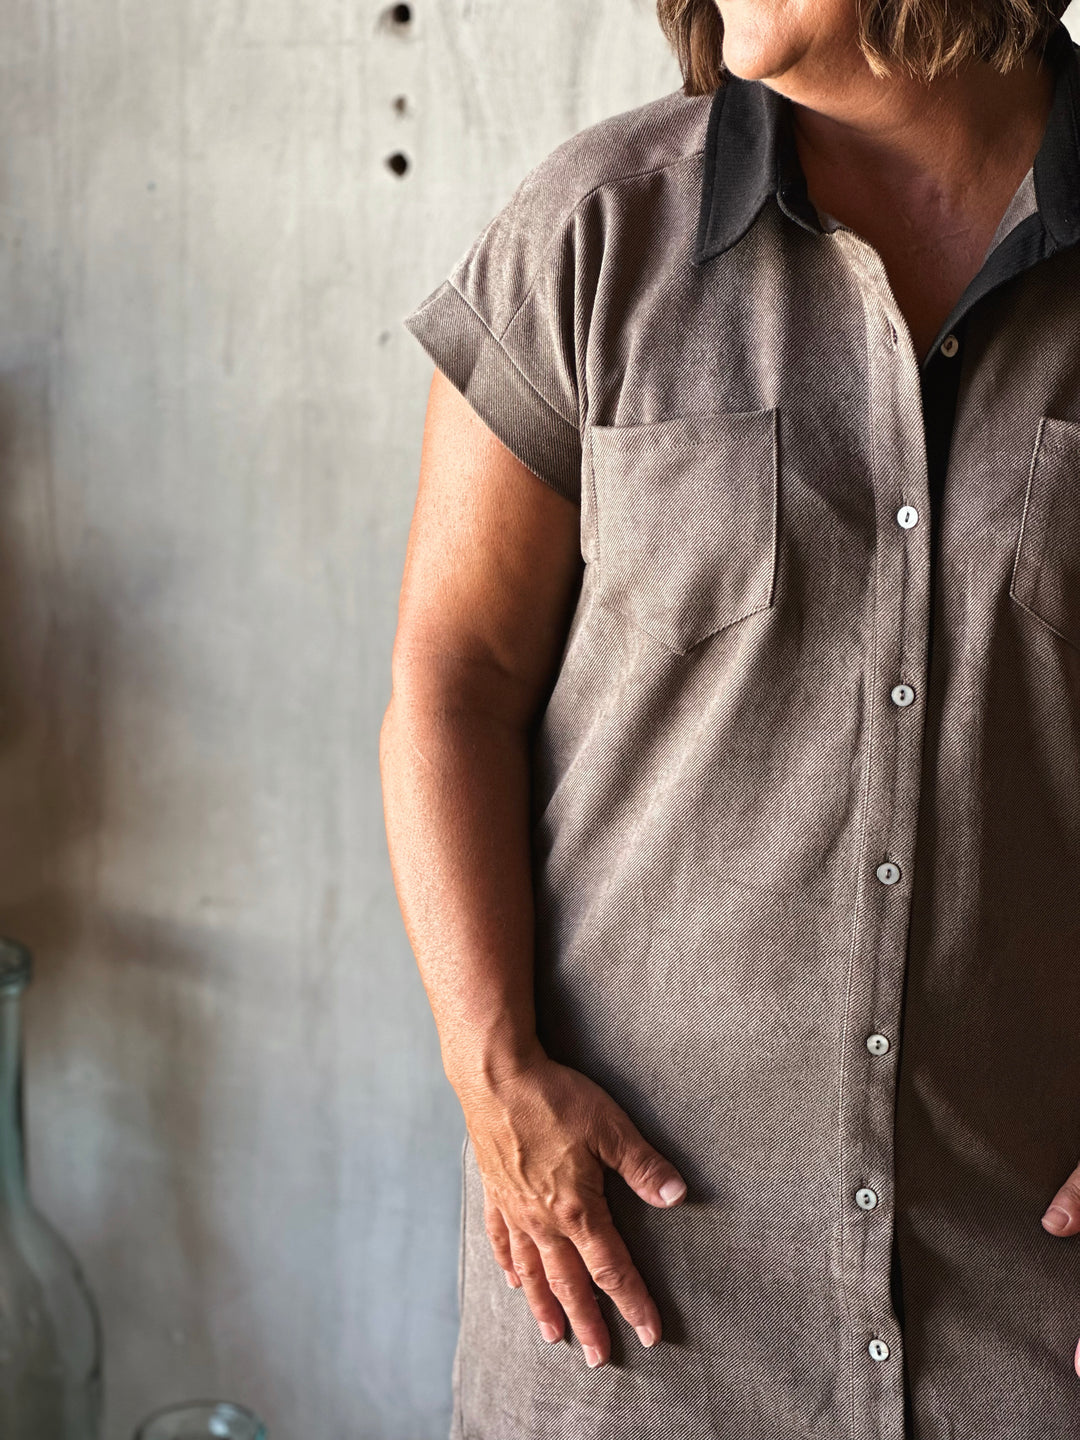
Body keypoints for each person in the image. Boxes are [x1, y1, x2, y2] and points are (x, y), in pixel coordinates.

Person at [380, 1, 1080, 1435]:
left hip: (1030, 1314)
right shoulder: (595, 237)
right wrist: (492, 1068)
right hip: (629, 1313)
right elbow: (450, 681)